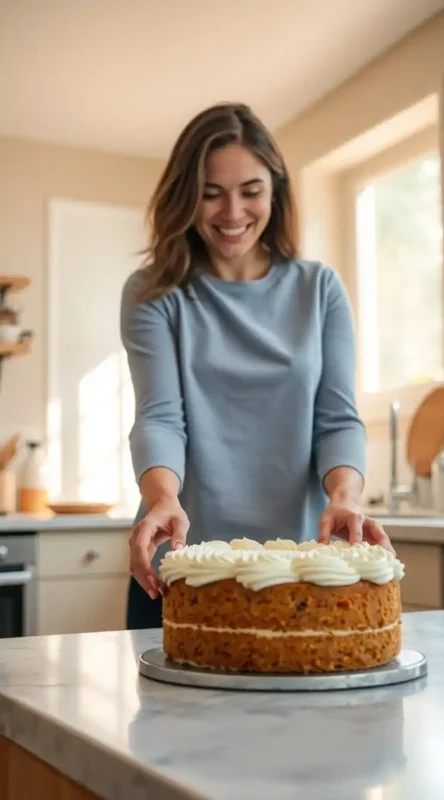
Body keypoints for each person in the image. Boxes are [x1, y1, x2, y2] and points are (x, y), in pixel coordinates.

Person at [120, 102, 393, 630]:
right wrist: (162, 500)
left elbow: (335, 418)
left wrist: (346, 496)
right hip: (184, 566)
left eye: (251, 190)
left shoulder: (319, 290)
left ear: (276, 191)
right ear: (186, 196)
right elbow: (159, 416)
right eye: (211, 193)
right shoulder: (155, 293)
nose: (233, 213)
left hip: (302, 571)